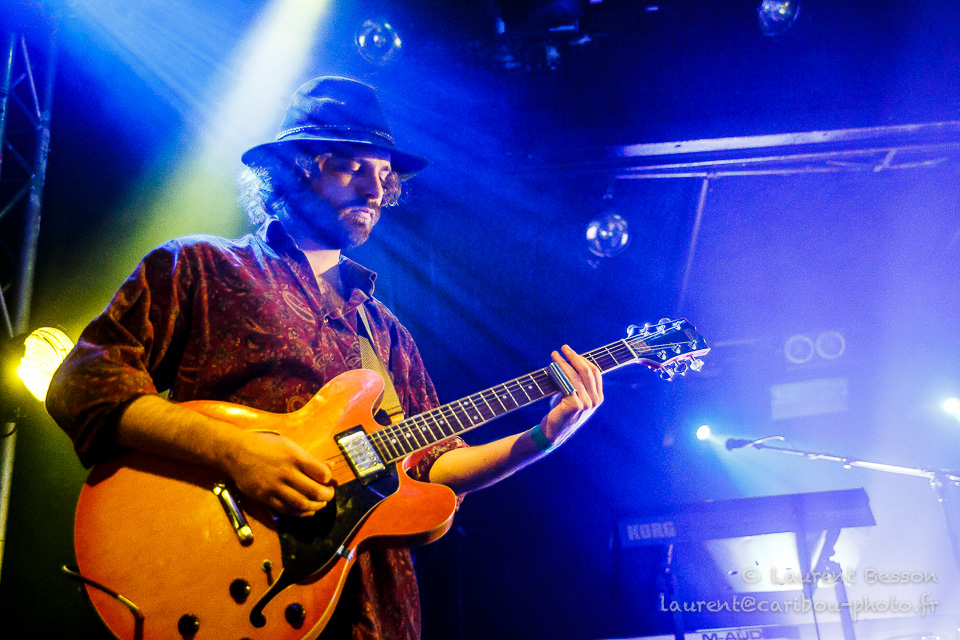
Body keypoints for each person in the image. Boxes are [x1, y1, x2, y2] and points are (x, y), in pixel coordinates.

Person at [46, 76, 603, 639]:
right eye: (351, 167)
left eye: (384, 175)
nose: (374, 190)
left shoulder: (386, 334)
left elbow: (434, 467)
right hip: (228, 587)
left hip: (373, 611)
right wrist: (235, 451)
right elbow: (85, 382)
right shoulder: (201, 267)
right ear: (292, 168)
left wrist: (543, 437)